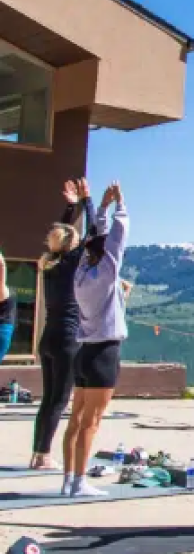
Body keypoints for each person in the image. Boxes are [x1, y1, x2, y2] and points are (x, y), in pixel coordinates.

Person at [62, 181, 129, 498]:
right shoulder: (107, 272)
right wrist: (121, 206)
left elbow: (98, 238)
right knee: (92, 422)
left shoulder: (81, 274)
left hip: (84, 353)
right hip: (104, 353)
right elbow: (117, 239)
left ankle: (67, 480)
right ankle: (78, 482)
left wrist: (100, 207)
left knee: (76, 418)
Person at [31, 179, 96, 470]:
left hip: (47, 338)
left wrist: (71, 206)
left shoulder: (51, 263)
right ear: (72, 246)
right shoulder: (70, 263)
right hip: (68, 338)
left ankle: (38, 453)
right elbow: (93, 235)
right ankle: (44, 456)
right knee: (59, 400)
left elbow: (63, 234)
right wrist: (88, 202)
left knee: (48, 399)